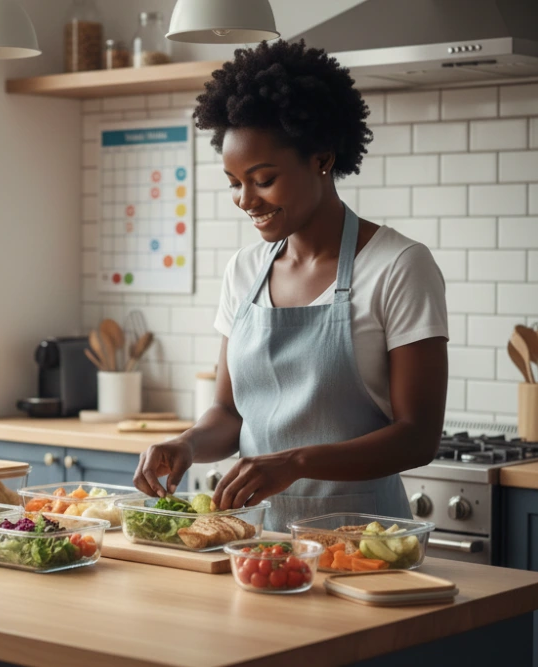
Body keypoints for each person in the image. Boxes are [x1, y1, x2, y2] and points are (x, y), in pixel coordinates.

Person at [133, 40, 449, 532]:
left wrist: (296, 463)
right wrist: (188, 444)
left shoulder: (398, 266)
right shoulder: (244, 271)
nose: (244, 199)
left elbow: (418, 437)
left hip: (364, 543)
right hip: (255, 543)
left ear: (322, 159)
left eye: (262, 179)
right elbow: (227, 412)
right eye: (234, 182)